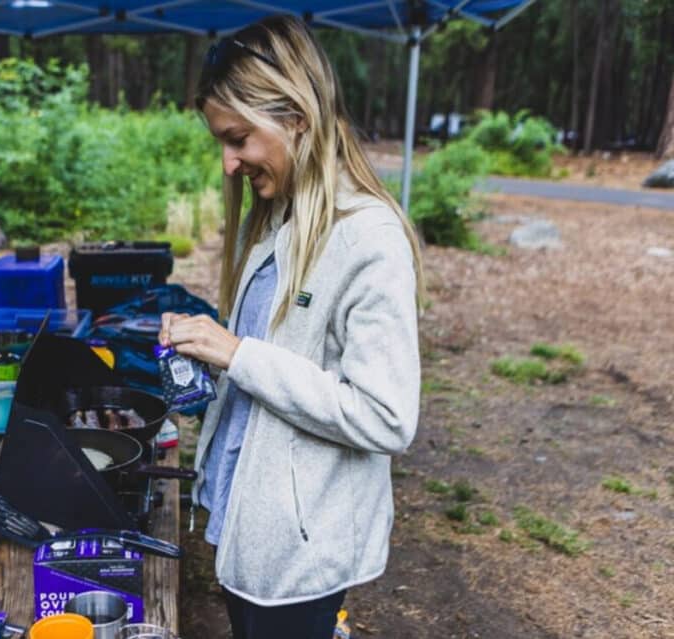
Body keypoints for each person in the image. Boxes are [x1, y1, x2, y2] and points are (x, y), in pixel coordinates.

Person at [158, 15, 424, 639]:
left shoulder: (368, 239)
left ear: (297, 118)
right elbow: (272, 362)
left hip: (299, 550)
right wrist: (205, 354)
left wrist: (238, 353)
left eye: (239, 138)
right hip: (246, 525)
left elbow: (387, 415)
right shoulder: (278, 219)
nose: (228, 163)